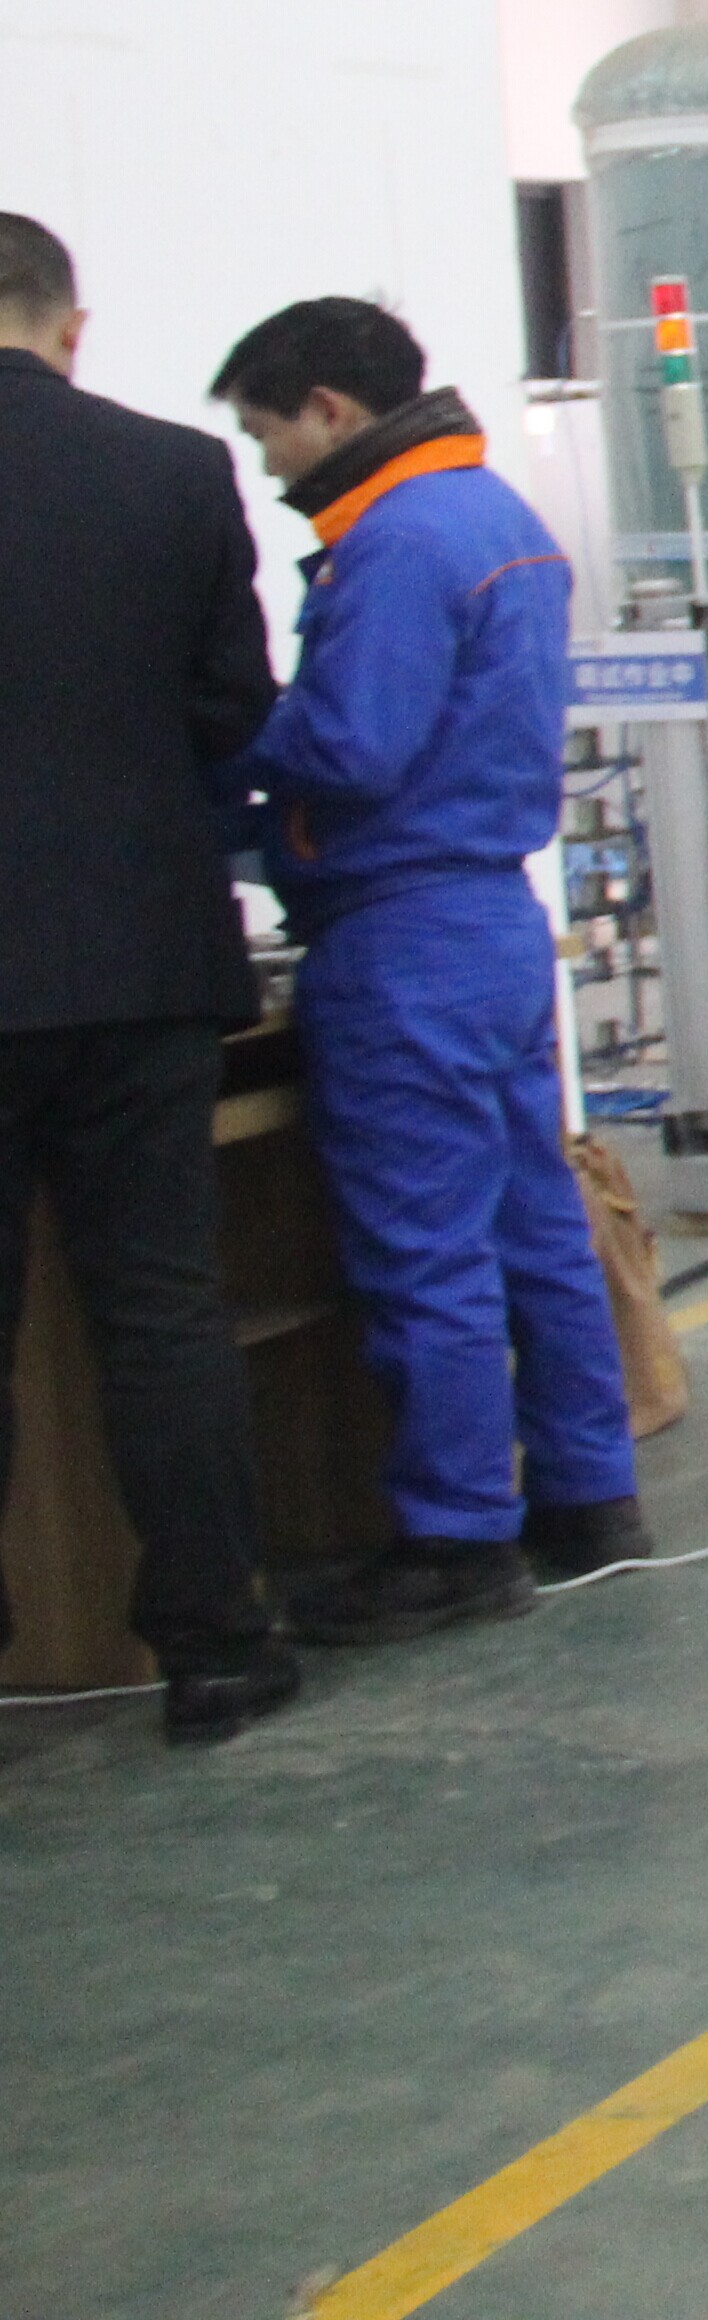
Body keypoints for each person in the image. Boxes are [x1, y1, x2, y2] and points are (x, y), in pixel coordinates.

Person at [209, 295, 644, 1643]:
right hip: (492, 923)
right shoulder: (493, 515)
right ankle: (589, 1493)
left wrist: (220, 751)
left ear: (330, 410)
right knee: (534, 1223)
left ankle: (456, 1539)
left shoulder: (394, 541)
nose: (270, 463)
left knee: (426, 1250)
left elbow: (350, 748)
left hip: (401, 934)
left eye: (268, 433)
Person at [0, 217, 297, 1738]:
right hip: (139, 961)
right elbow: (234, 709)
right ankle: (215, 1648)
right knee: (163, 1312)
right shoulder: (175, 473)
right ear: (71, 328)